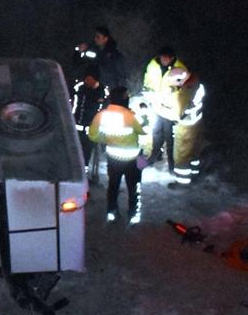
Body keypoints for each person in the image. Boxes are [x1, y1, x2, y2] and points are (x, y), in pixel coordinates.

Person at [88, 86, 145, 224]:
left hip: (113, 158)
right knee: (135, 186)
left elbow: (93, 136)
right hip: (134, 158)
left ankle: (112, 212)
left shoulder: (101, 115)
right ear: (124, 98)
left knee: (113, 186)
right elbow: (143, 132)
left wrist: (108, 139)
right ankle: (134, 214)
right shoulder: (130, 116)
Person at [141, 47, 187, 173]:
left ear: (172, 58)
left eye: (166, 58)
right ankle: (153, 157)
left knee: (169, 137)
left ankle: (172, 165)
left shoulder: (180, 68)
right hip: (156, 105)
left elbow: (184, 90)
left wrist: (174, 93)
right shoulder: (153, 64)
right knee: (156, 132)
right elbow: (148, 80)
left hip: (170, 110)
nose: (163, 60)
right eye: (162, 57)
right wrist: (148, 90)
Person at [71, 65, 109, 185]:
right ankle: (76, 174)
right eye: (86, 78)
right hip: (77, 126)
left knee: (87, 153)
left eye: (90, 78)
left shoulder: (103, 91)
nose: (88, 81)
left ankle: (85, 175)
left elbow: (104, 109)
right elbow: (73, 106)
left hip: (93, 128)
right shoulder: (79, 88)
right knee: (76, 152)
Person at [172, 69, 206, 185]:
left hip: (185, 126)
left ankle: (182, 182)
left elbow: (179, 113)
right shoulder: (197, 83)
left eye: (176, 82)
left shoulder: (186, 91)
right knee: (194, 150)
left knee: (182, 154)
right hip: (197, 122)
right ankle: (195, 174)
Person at [72, 26, 128, 92]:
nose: (95, 39)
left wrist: (119, 92)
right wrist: (78, 52)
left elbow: (120, 75)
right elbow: (78, 62)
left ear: (105, 39)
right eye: (95, 36)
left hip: (107, 89)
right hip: (91, 90)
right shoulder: (91, 50)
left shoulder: (114, 55)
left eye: (98, 37)